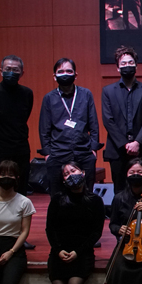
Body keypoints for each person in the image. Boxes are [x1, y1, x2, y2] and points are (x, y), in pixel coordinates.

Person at [45, 162, 105, 284]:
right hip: (59, 252)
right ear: (62, 180)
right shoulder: (57, 199)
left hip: (83, 252)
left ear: (83, 172)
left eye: (73, 171)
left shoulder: (95, 201)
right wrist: (58, 250)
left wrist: (78, 252)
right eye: (66, 174)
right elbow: (50, 228)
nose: (70, 175)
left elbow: (96, 232)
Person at [39, 58, 100, 194]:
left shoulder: (86, 94)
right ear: (55, 77)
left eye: (68, 71)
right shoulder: (49, 98)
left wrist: (93, 150)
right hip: (57, 152)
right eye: (60, 71)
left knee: (87, 193)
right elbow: (44, 128)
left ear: (75, 75)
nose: (65, 74)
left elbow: (94, 124)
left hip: (84, 151)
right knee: (57, 195)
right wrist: (48, 154)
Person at [102, 46, 142, 194]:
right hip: (117, 150)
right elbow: (108, 120)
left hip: (141, 149)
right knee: (119, 190)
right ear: (117, 68)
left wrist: (137, 143)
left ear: (136, 66)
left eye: (130, 62)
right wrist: (125, 145)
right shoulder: (108, 91)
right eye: (123, 63)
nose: (127, 66)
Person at [0, 55, 34, 197]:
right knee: (1, 183)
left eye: (15, 70)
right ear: (1, 71)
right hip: (0, 146)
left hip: (21, 145)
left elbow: (25, 116)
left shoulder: (27, 93)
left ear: (22, 73)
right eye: (8, 69)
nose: (11, 72)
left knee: (21, 183)